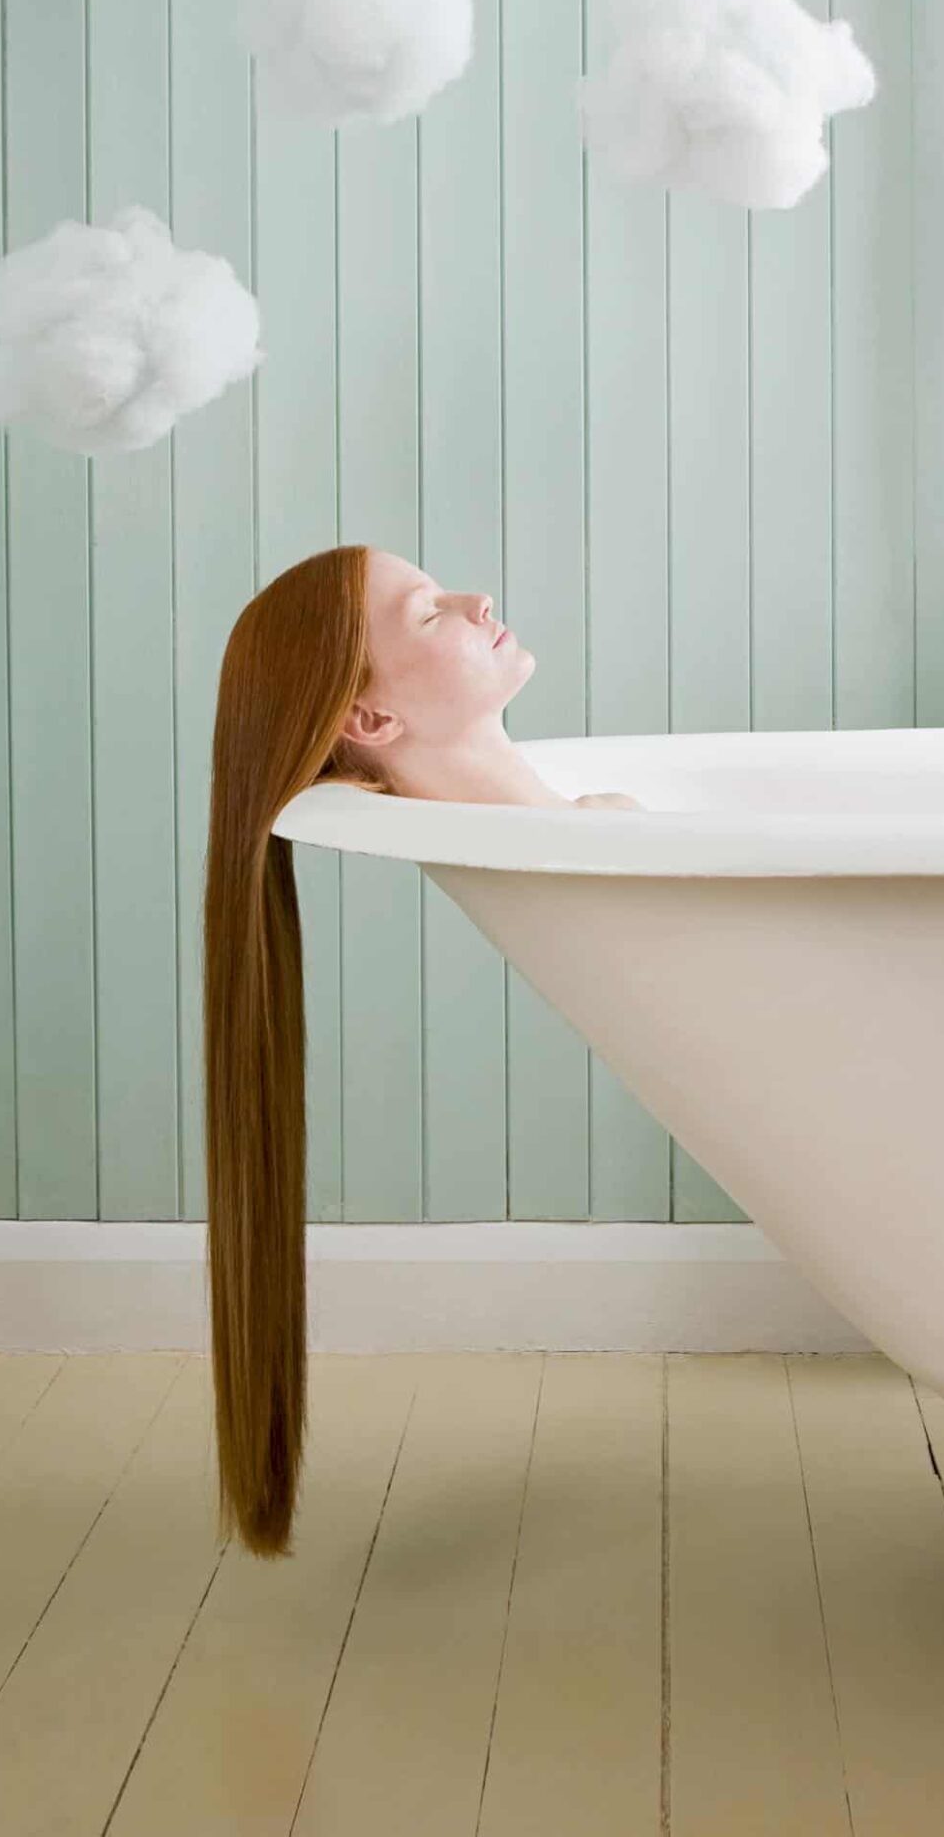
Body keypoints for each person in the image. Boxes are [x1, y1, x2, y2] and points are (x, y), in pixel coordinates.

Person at [202, 543, 638, 1560]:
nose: (475, 596)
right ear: (368, 721)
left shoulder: (597, 826)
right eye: (427, 612)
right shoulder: (594, 840)